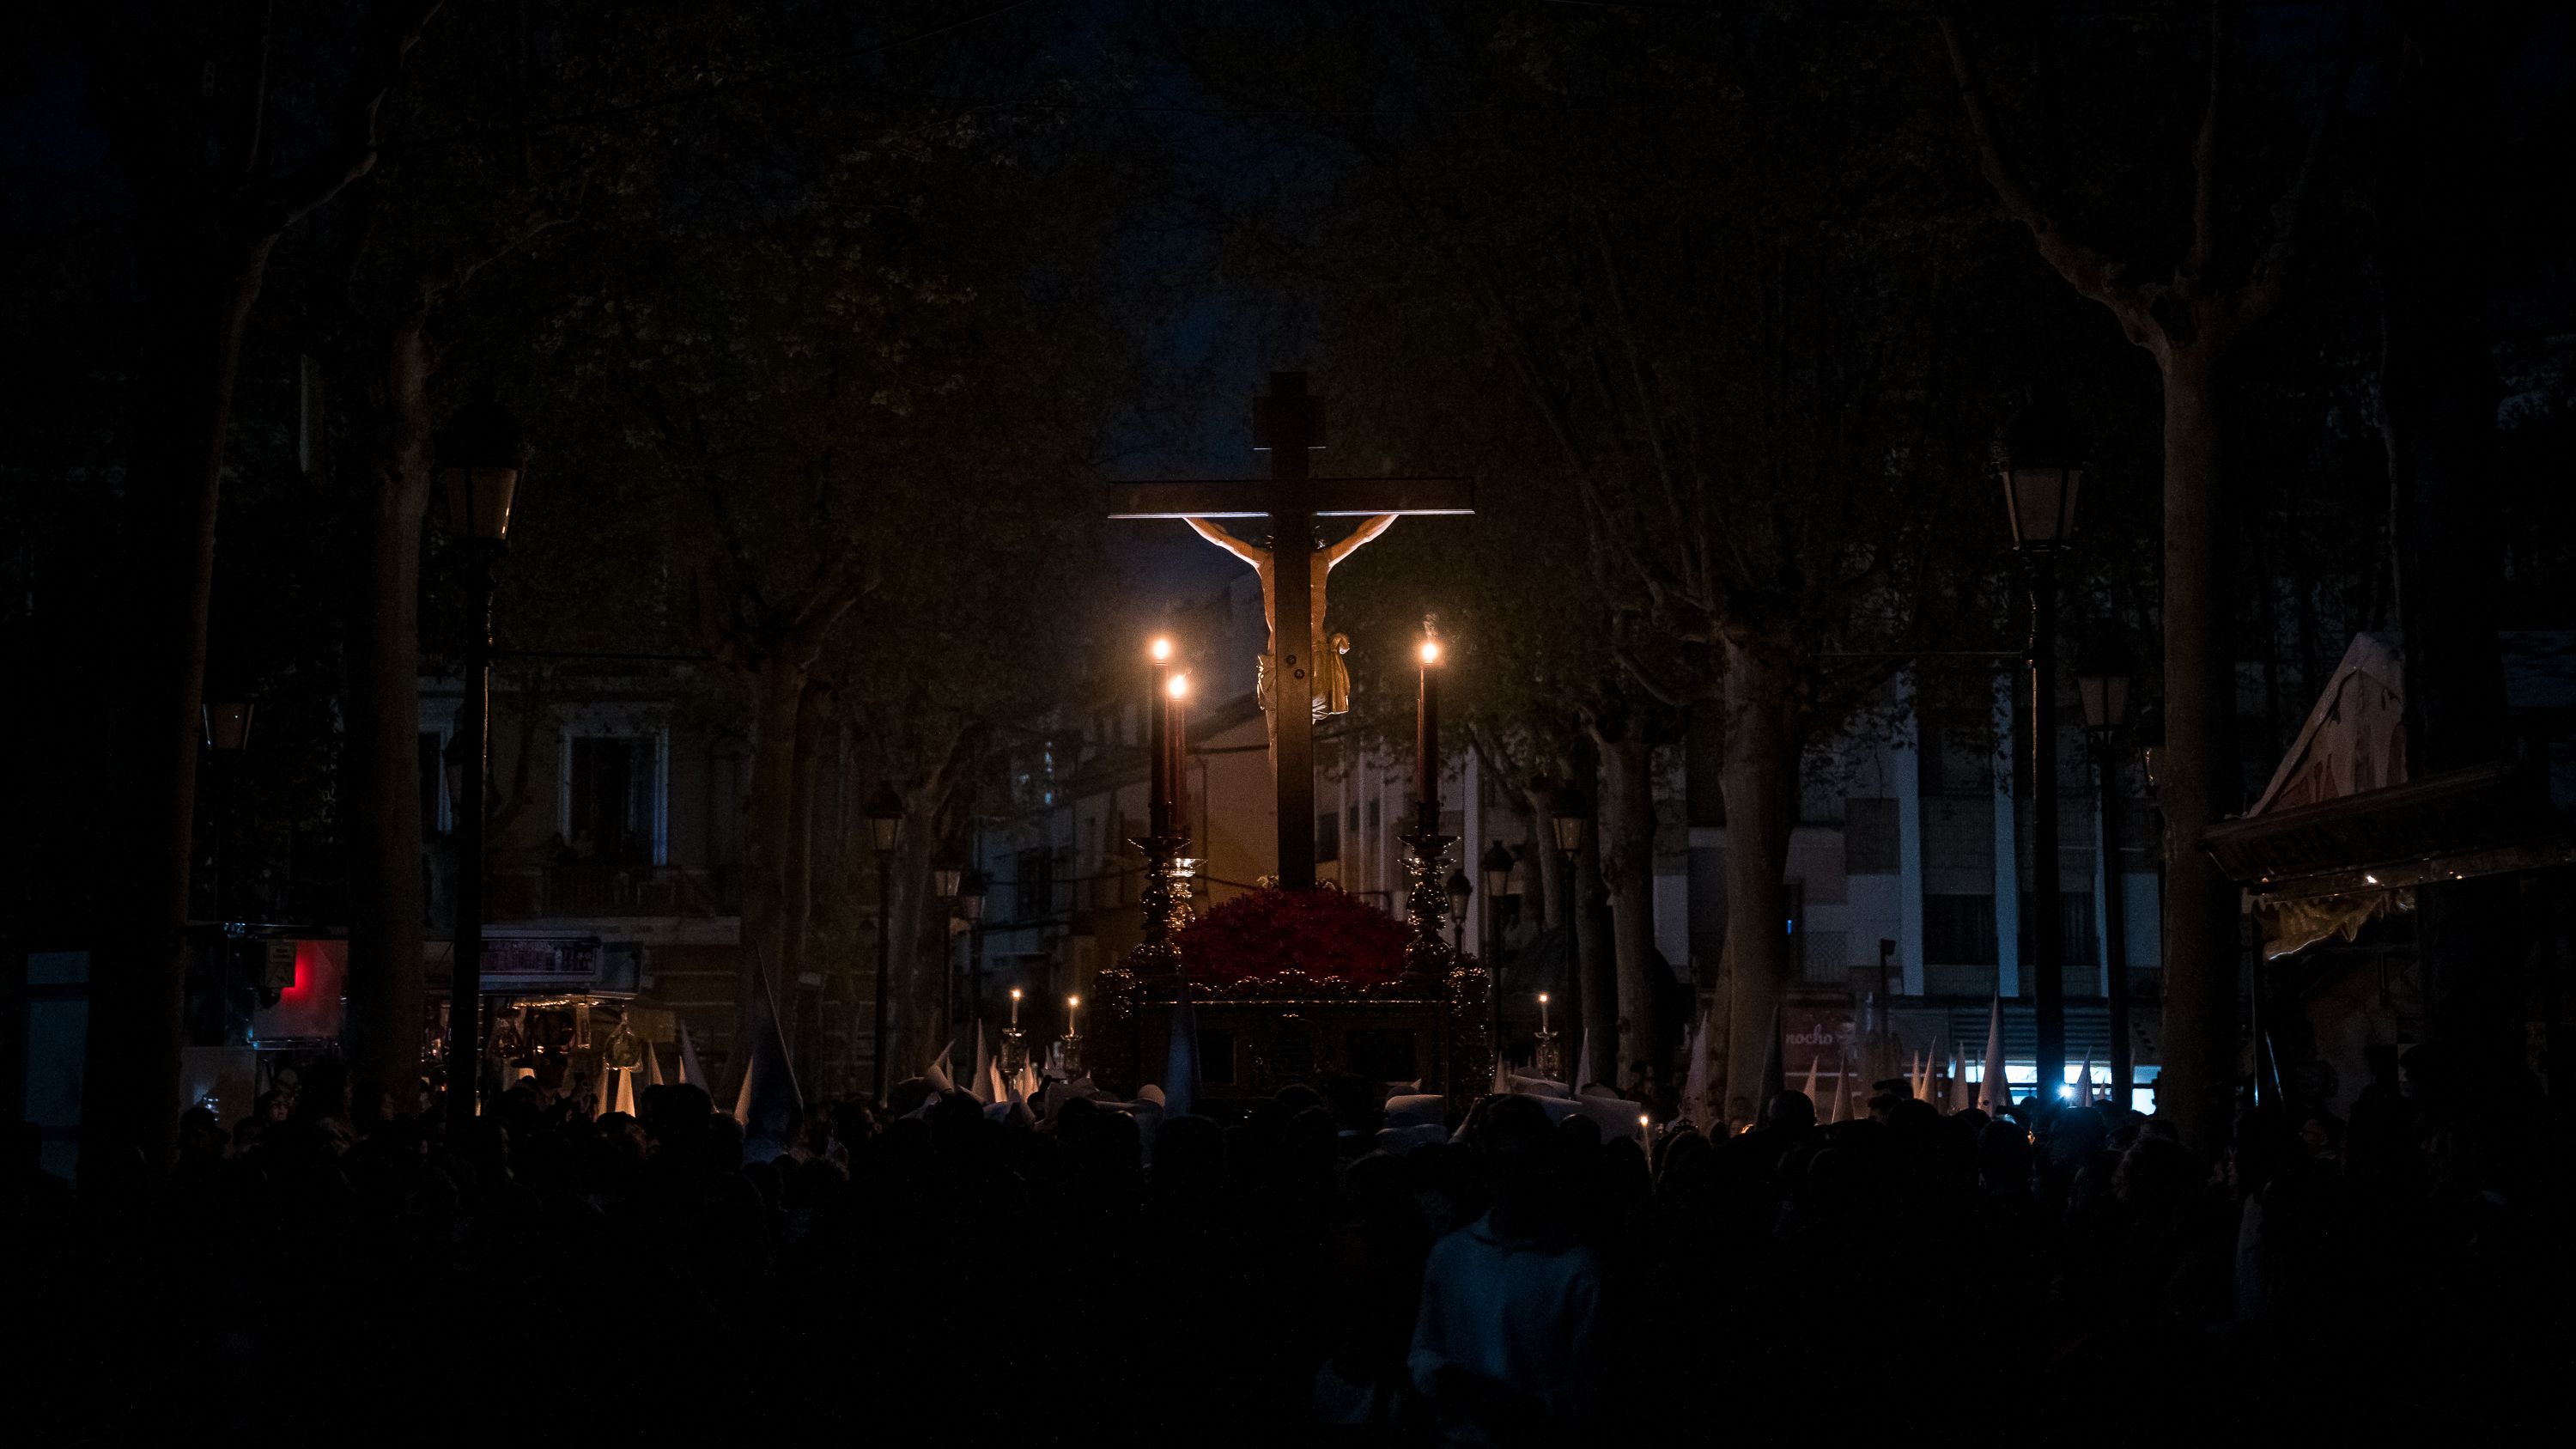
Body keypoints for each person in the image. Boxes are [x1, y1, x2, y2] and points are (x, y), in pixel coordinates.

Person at [1410, 1094, 1601, 1443]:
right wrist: (1446, 1379)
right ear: (1488, 1170)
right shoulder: (1451, 1255)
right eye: (1503, 1165)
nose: (1513, 1182)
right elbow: (1424, 1347)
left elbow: (1586, 1387)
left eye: (1524, 1166)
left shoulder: (1574, 1270)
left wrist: (1528, 1410)